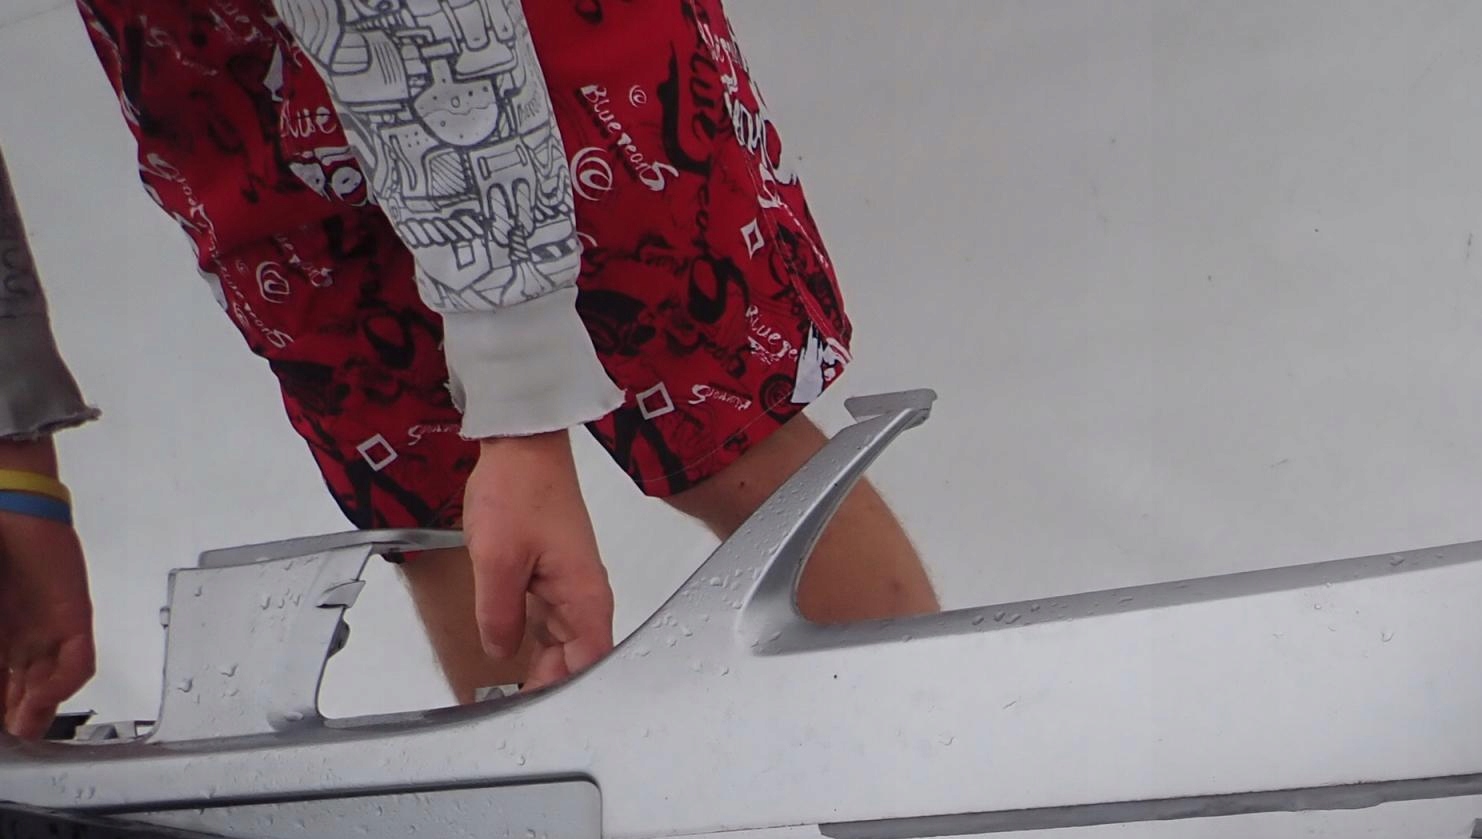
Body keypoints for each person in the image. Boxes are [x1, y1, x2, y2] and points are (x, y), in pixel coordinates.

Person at [0, 0, 936, 743]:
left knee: (722, 423)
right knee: (433, 509)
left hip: (532, 33)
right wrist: (13, 457)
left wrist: (519, 398)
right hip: (208, 64)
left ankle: (925, 822)